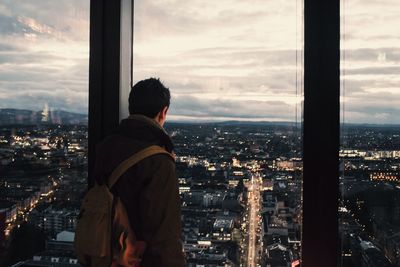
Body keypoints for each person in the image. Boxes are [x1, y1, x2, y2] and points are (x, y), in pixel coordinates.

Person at [93, 78, 185, 267]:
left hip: (100, 254)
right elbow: (164, 236)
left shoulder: (105, 147)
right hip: (135, 260)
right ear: (163, 112)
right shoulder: (158, 161)